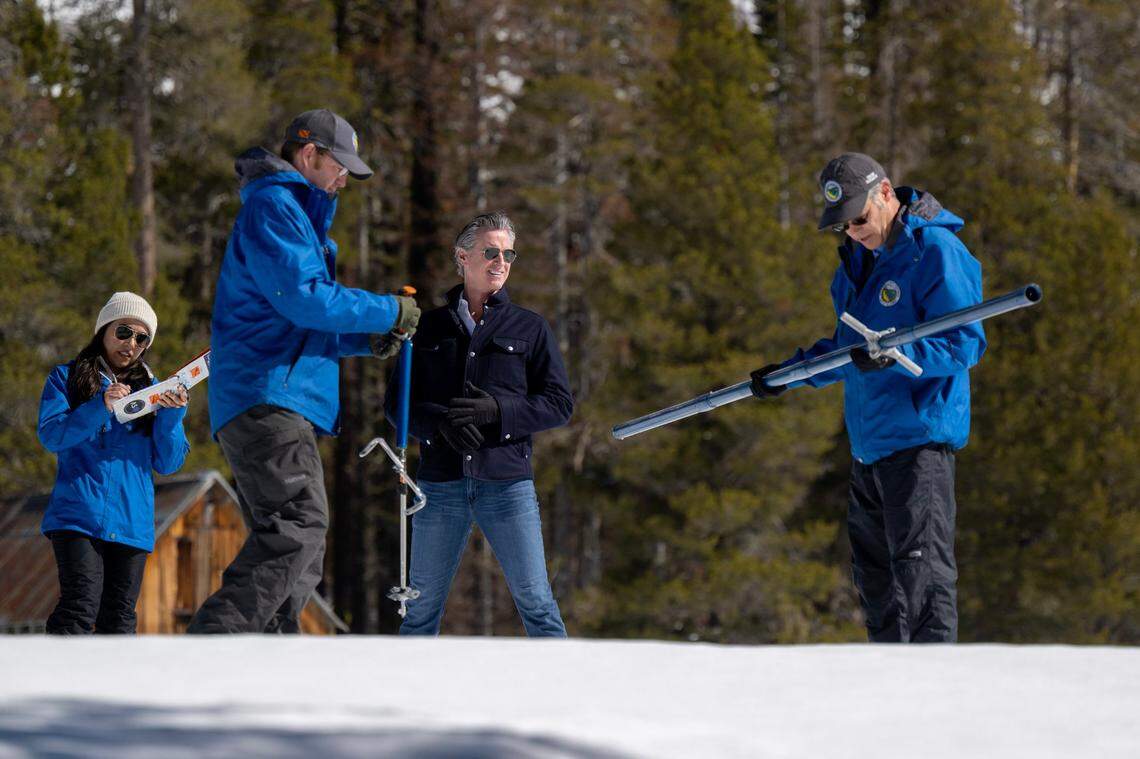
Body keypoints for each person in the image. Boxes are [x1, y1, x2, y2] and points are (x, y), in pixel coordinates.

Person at [187, 109, 420, 634]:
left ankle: (272, 660)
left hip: (272, 392)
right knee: (300, 524)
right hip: (266, 395)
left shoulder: (297, 219)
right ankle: (215, 639)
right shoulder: (275, 208)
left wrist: (368, 338)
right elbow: (304, 299)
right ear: (308, 154)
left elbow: (298, 321)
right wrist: (388, 310)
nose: (343, 180)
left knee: (300, 551)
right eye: (339, 166)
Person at [750, 153, 986, 643]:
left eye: (859, 219)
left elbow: (965, 342)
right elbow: (845, 350)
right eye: (844, 226)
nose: (854, 232)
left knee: (923, 583)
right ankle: (888, 695)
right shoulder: (855, 265)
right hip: (868, 448)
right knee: (877, 589)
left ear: (885, 194)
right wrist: (787, 376)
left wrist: (896, 353)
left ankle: (933, 692)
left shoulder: (935, 250)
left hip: (918, 445)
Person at [386, 212, 573, 636]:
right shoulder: (428, 328)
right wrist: (439, 426)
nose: (501, 261)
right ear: (463, 257)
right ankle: (403, 695)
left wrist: (500, 413)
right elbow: (397, 405)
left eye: (509, 253)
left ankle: (563, 695)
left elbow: (560, 404)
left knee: (538, 601)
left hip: (508, 483)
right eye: (491, 252)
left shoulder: (530, 328)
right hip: (441, 484)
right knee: (419, 607)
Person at [38, 291, 190, 634]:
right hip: (79, 516)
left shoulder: (155, 391)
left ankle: (105, 689)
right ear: (104, 330)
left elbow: (167, 463)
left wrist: (172, 417)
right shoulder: (66, 378)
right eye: (123, 332)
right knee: (79, 607)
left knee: (119, 623)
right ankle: (50, 685)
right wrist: (99, 406)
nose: (131, 343)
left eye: (141, 337)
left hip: (132, 522)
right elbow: (51, 436)